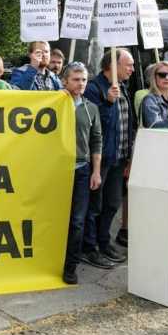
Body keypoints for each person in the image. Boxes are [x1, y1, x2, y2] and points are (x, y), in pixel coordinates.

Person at [82, 48, 135, 269]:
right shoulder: (94, 88)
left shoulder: (123, 87)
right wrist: (108, 103)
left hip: (118, 156)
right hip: (101, 158)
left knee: (112, 203)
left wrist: (129, 155)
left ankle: (104, 242)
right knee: (95, 206)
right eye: (128, 65)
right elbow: (93, 125)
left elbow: (128, 123)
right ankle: (90, 248)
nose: (132, 69)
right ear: (112, 67)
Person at [61, 62, 102, 284]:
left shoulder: (91, 108)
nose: (81, 83)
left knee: (77, 220)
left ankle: (71, 266)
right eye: (76, 79)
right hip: (56, 171)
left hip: (82, 170)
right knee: (55, 217)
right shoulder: (53, 103)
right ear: (65, 81)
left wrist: (96, 171)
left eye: (84, 79)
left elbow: (97, 141)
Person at [140, 61, 168, 128]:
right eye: (162, 75)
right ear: (154, 77)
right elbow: (154, 126)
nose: (167, 78)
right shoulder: (150, 100)